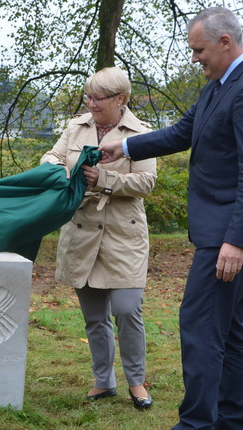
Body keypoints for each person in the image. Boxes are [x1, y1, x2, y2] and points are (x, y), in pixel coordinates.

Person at [99, 7, 243, 429]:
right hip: (221, 228)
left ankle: (197, 423)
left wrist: (236, 240)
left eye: (199, 50)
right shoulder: (219, 86)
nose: (194, 58)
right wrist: (124, 148)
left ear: (225, 42)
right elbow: (183, 132)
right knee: (228, 326)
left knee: (199, 323)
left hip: (234, 232)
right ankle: (231, 420)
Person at [40, 67, 157, 410]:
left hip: (124, 235)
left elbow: (146, 183)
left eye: (98, 98)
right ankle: (103, 381)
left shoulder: (139, 134)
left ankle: (136, 382)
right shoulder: (77, 126)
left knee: (126, 310)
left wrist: (103, 179)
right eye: (87, 96)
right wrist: (60, 170)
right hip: (82, 231)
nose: (91, 103)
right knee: (94, 316)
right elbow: (51, 156)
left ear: (120, 99)